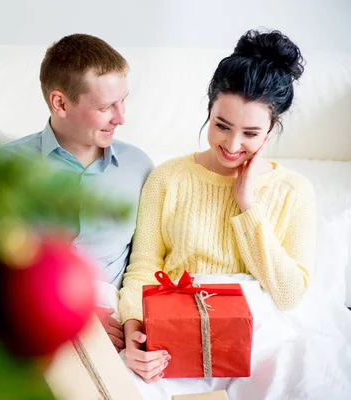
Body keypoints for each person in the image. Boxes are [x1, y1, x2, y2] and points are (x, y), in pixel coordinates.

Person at [118, 29, 316, 383]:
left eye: (251, 133)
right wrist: (133, 332)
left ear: (273, 127)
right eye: (221, 126)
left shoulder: (294, 191)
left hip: (259, 343)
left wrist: (248, 205)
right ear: (208, 108)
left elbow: (289, 294)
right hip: (175, 334)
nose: (232, 144)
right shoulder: (167, 178)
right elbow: (143, 268)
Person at [0, 34, 154, 352]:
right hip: (25, 329)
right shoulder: (3, 168)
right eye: (106, 106)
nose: (121, 117)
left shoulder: (140, 167)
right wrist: (59, 322)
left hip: (116, 338)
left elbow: (148, 264)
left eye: (123, 100)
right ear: (60, 103)